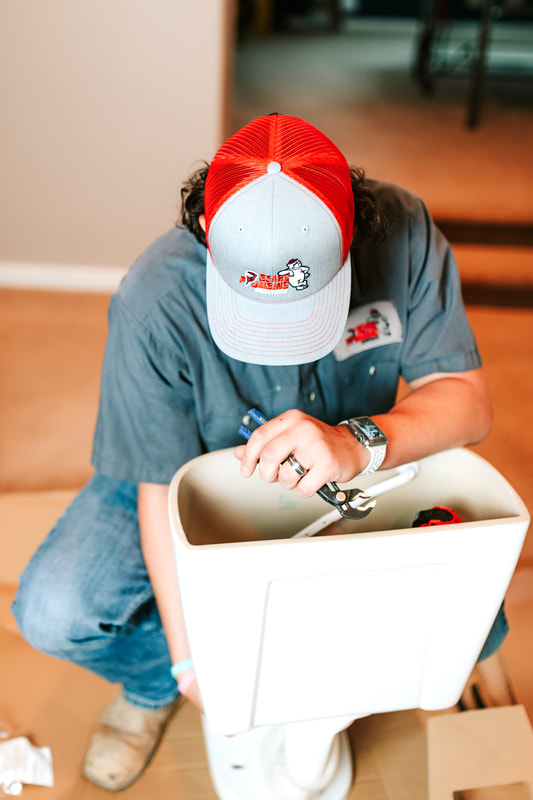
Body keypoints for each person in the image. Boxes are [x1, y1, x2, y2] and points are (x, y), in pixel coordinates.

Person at [12, 113, 508, 792]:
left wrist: (359, 443)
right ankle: (152, 685)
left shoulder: (406, 233)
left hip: (352, 469)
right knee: (56, 611)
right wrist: (190, 665)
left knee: (474, 628)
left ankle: (297, 669)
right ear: (210, 236)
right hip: (194, 471)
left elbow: (467, 402)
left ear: (351, 233)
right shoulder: (154, 298)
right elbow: (159, 485)